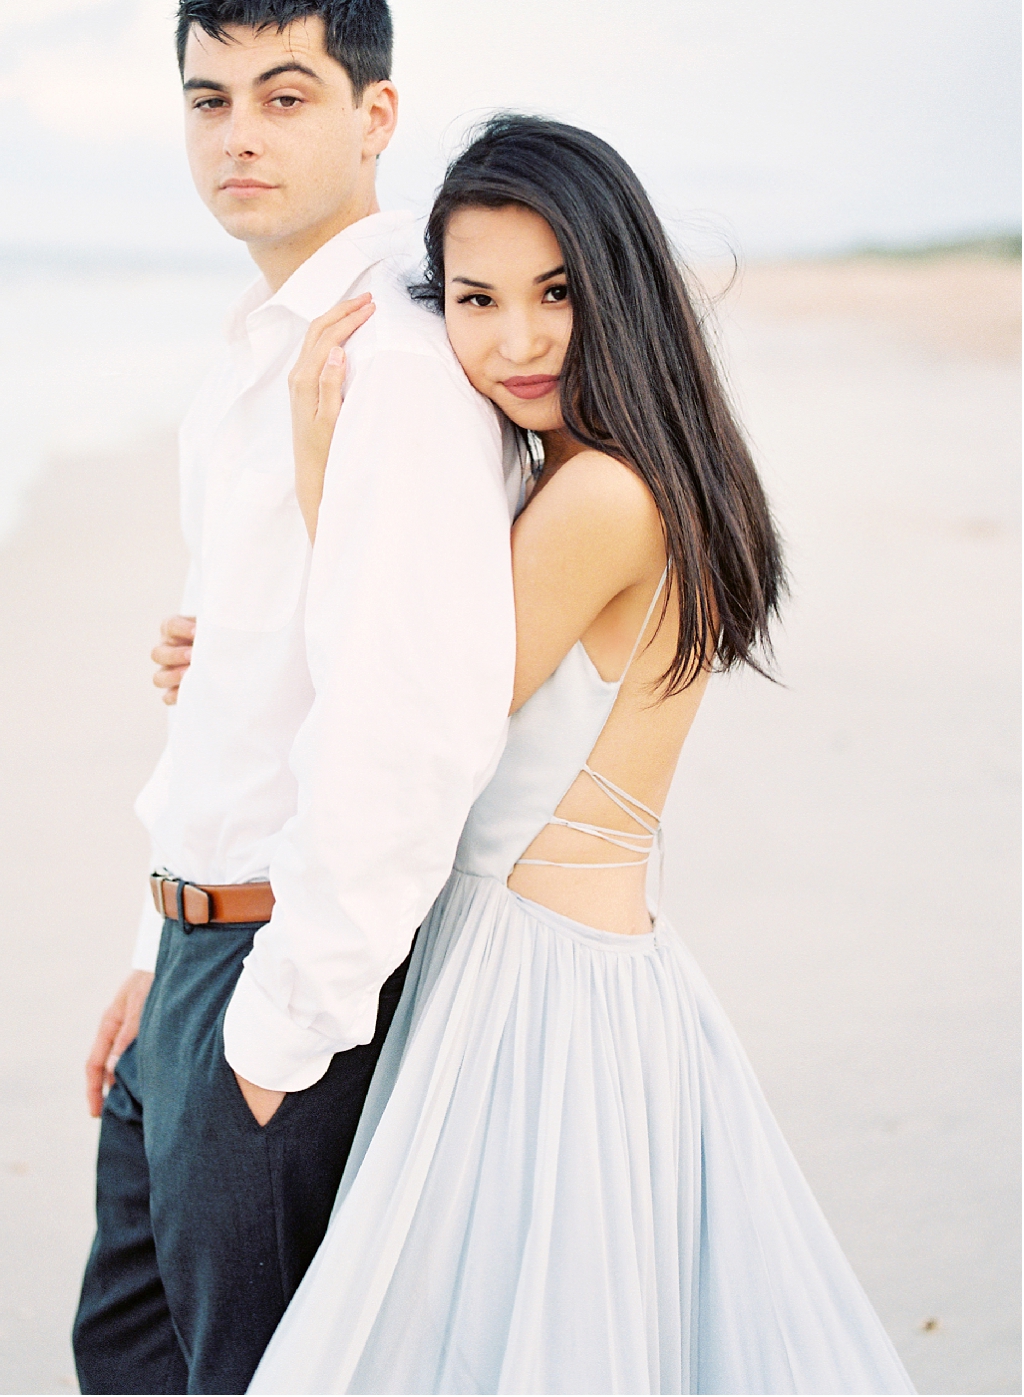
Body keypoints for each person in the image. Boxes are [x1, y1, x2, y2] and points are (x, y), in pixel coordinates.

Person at [241, 116, 915, 1394]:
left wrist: (319, 464)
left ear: (619, 285)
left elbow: (411, 710)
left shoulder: (599, 498)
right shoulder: (645, 473)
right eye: (476, 300)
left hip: (531, 985)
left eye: (554, 292)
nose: (515, 340)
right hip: (595, 964)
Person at [71, 0, 517, 1395]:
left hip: (279, 972)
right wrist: (154, 954)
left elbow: (413, 711)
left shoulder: (383, 354)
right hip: (198, 953)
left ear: (373, 117)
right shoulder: (266, 345)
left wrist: (282, 1024)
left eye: (283, 93)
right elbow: (250, 684)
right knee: (132, 1357)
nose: (239, 134)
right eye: (208, 101)